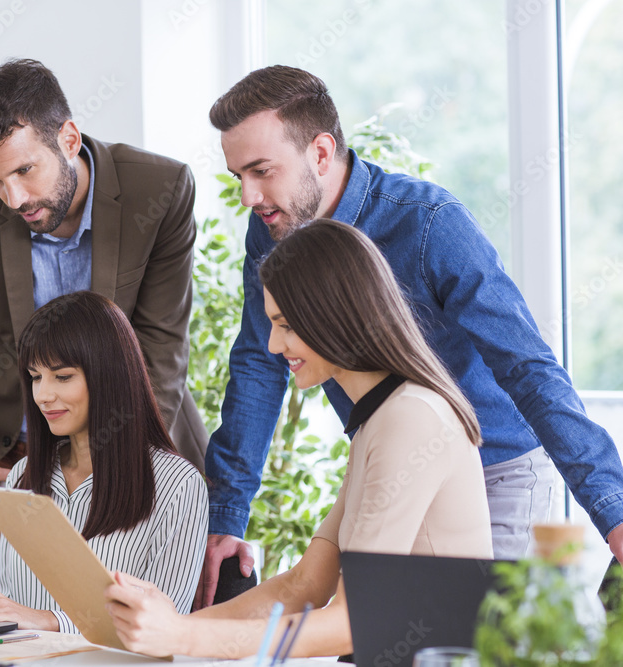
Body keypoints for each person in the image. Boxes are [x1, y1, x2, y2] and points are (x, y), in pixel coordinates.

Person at [197, 66, 623, 606]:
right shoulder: (273, 229)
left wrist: (613, 509)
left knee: (475, 640)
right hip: (392, 458)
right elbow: (260, 364)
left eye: (261, 170)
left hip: (499, 466)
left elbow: (526, 365)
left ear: (321, 153)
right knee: (394, 632)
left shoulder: (427, 224)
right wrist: (227, 517)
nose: (248, 196)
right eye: (239, 176)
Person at [105, 218, 493, 659]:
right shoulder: (379, 420)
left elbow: (353, 623)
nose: (272, 344)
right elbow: (303, 585)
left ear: (337, 315)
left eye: (287, 325)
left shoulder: (411, 418)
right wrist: (162, 636)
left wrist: (181, 638)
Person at [0, 59, 208, 596]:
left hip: (133, 449)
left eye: (25, 172)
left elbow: (161, 345)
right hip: (12, 461)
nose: (14, 199)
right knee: (15, 633)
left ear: (69, 138)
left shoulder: (160, 189)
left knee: (137, 630)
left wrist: (120, 459)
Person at [0, 291, 208, 633]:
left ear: (110, 375)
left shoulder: (178, 486)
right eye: (36, 377)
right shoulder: (23, 476)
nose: (43, 395)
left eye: (62, 376)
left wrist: (51, 621)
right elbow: (5, 608)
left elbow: (164, 631)